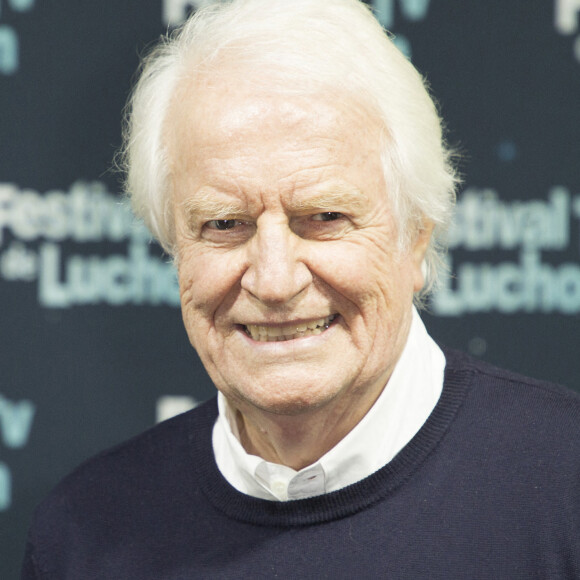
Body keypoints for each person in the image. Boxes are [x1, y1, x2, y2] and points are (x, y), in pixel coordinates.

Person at [22, 0, 580, 578]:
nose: (275, 279)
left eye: (325, 216)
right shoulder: (83, 535)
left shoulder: (566, 486)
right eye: (224, 224)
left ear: (416, 238)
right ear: (173, 249)